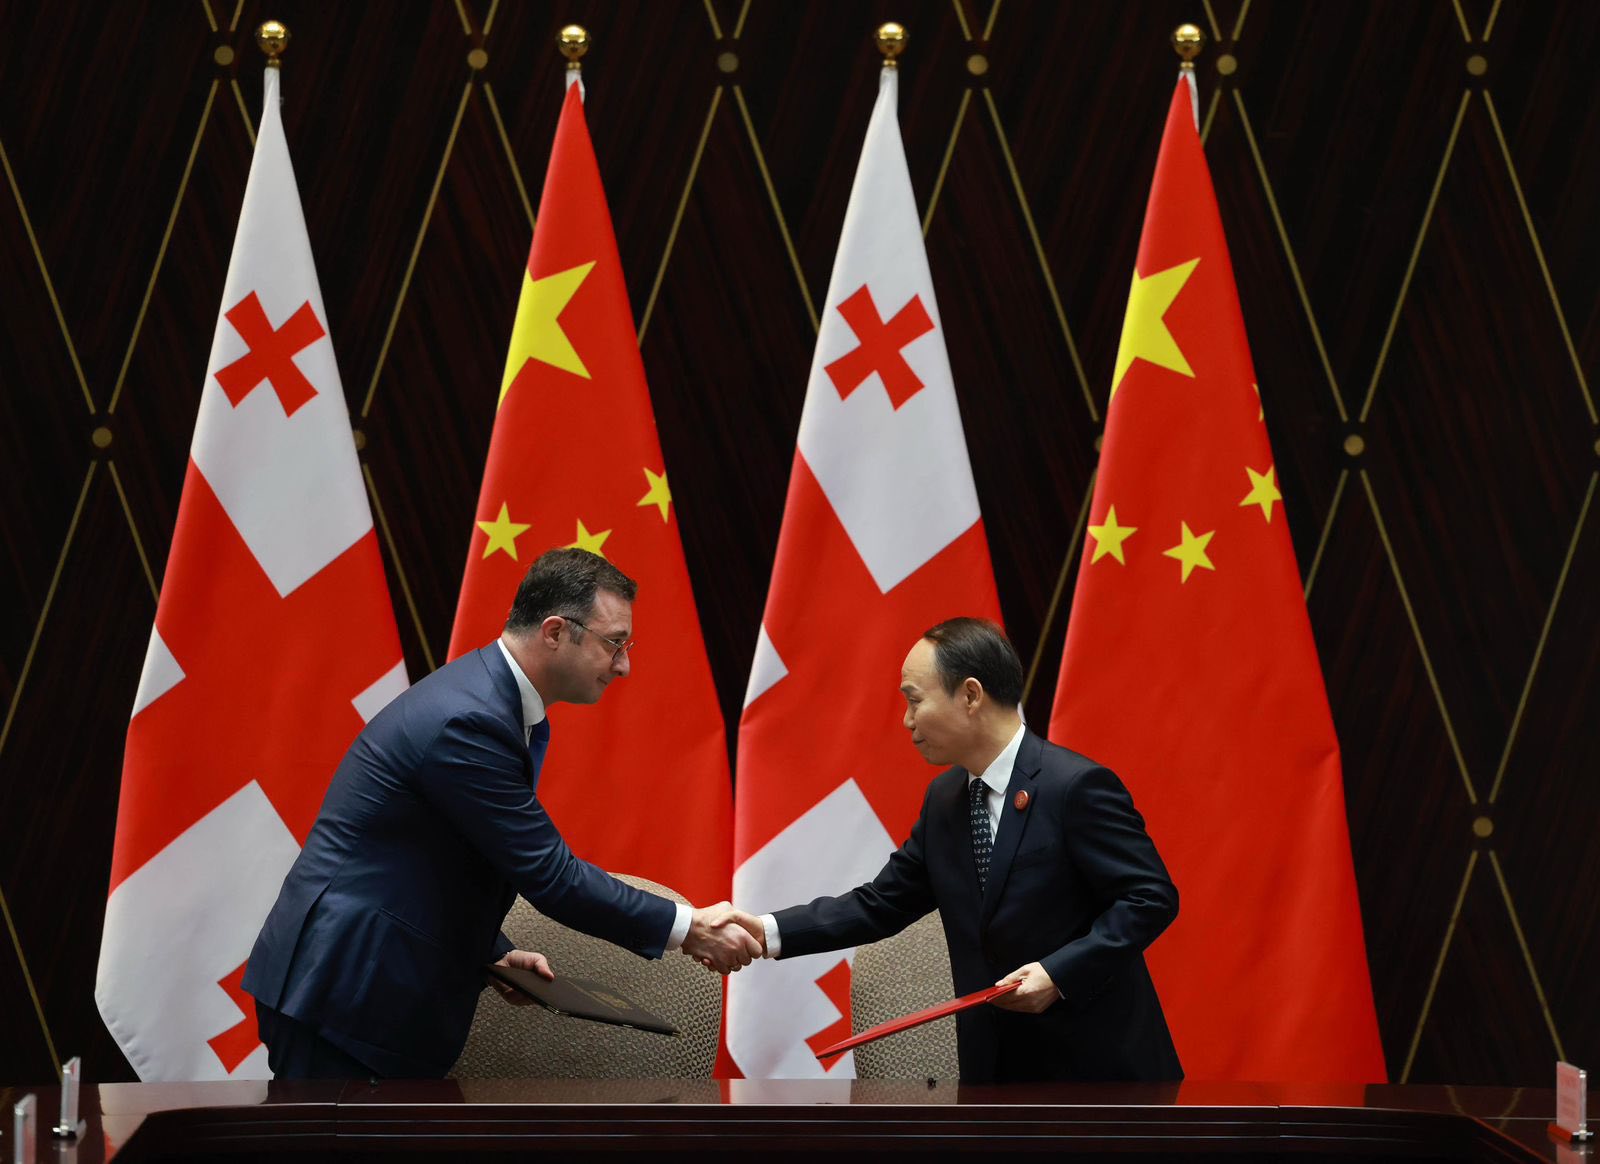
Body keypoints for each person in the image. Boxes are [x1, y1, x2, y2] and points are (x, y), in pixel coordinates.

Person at [243, 548, 759, 1079]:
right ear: (555, 631)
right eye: (614, 643)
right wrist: (688, 926)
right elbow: (552, 877)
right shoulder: (471, 720)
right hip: (346, 990)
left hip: (366, 985)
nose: (624, 665)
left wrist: (492, 950)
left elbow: (448, 855)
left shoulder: (499, 706)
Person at [744, 618, 1183, 1083]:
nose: (907, 720)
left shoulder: (1074, 786)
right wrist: (766, 931)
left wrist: (1058, 974)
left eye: (915, 700)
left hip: (1099, 1077)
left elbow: (1150, 897)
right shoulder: (946, 800)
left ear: (970, 695)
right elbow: (881, 904)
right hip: (992, 1076)